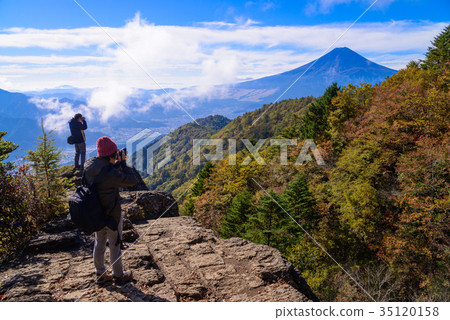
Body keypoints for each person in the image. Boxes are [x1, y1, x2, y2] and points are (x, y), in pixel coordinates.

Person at [84, 136, 138, 284]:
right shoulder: (110, 173)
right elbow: (132, 180)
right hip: (111, 214)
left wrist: (114, 163)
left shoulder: (89, 166)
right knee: (115, 244)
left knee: (99, 243)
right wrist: (124, 163)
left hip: (95, 214)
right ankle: (118, 275)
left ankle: (100, 274)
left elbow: (103, 175)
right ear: (111, 155)